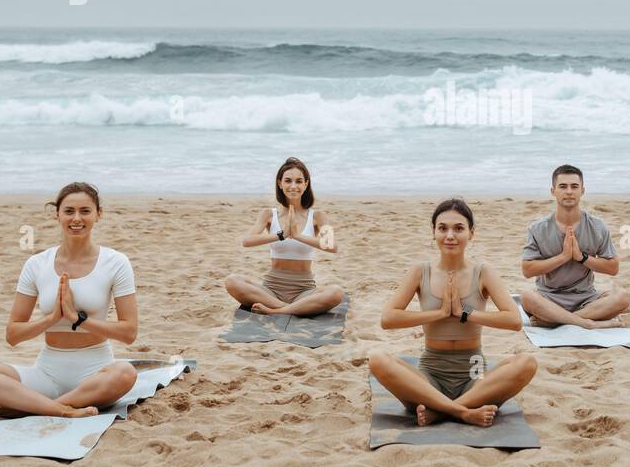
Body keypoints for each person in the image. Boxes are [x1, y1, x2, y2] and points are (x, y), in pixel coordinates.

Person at [0, 182, 138, 417]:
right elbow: (13, 335)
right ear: (57, 215)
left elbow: (129, 332)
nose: (76, 218)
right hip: (47, 373)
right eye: (69, 211)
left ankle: (35, 407)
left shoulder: (115, 262)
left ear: (98, 215)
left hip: (94, 374)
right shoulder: (37, 264)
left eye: (85, 211)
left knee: (125, 373)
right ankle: (60, 409)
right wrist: (52, 318)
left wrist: (77, 319)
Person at [370, 197, 536, 428]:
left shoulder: (483, 272)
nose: (450, 235)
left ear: (471, 233)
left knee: (526, 363)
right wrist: (439, 313)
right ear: (434, 232)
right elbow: (388, 319)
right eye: (443, 228)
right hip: (430, 372)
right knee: (378, 360)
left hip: (474, 369)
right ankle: (462, 411)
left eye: (458, 228)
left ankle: (440, 412)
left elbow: (514, 320)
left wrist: (464, 312)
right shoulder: (420, 271)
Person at [225, 157, 344, 315]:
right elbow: (247, 241)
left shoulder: (318, 216)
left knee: (336, 292)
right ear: (280, 183)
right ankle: (287, 308)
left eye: (299, 181)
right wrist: (282, 235)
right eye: (288, 181)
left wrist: (296, 235)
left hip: (304, 290)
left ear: (306, 184)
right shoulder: (268, 214)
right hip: (271, 289)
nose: (293, 186)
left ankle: (276, 311)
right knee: (232, 281)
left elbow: (332, 246)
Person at [519, 164, 630, 329]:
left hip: (586, 299)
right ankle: (586, 323)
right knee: (527, 296)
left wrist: (581, 257)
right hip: (549, 298)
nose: (569, 191)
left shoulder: (597, 226)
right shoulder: (538, 228)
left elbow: (613, 268)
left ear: (582, 191)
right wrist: (563, 257)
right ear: (553, 191)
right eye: (563, 186)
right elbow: (528, 270)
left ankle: (557, 321)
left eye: (574, 186)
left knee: (622, 297)